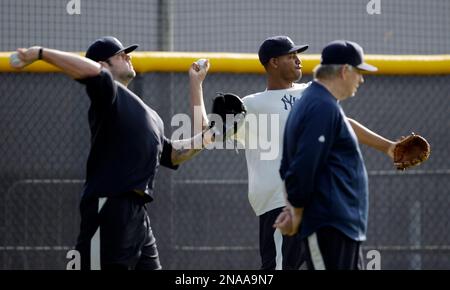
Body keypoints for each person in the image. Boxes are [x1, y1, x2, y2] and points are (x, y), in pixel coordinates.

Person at [190, 36, 398, 270]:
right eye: (291, 56)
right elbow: (205, 134)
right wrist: (196, 84)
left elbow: (343, 122)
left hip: (318, 202)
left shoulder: (312, 93)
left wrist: (389, 147)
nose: (298, 60)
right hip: (278, 205)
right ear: (274, 62)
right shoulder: (251, 105)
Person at [12, 36, 214, 270]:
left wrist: (197, 86)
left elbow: (177, 154)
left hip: (138, 216)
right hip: (108, 207)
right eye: (120, 54)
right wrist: (40, 53)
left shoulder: (151, 115)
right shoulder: (109, 97)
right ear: (103, 65)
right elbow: (94, 73)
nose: (128, 57)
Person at [275, 40, 379, 270]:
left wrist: (293, 208)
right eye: (359, 72)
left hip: (339, 227)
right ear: (344, 71)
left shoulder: (318, 102)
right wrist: (297, 212)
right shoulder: (321, 106)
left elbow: (288, 166)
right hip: (329, 226)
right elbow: (301, 167)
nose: (361, 79)